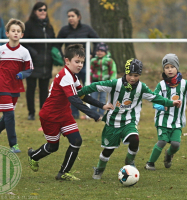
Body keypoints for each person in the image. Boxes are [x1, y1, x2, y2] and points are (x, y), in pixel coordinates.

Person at [77, 58, 182, 179]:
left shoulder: (141, 88)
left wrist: (170, 103)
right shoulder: (114, 84)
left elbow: (155, 97)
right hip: (112, 123)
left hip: (129, 121)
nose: (132, 78)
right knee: (108, 150)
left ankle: (129, 161)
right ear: (125, 73)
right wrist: (79, 93)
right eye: (130, 75)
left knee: (135, 139)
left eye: (136, 75)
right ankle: (99, 169)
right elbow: (95, 86)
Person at [27, 44, 113, 181]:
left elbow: (83, 95)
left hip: (64, 114)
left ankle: (63, 173)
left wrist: (102, 106)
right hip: (50, 116)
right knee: (53, 147)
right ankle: (33, 156)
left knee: (76, 140)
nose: (80, 65)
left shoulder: (73, 76)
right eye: (77, 62)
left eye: (82, 62)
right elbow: (75, 101)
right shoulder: (65, 76)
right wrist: (94, 114)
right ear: (67, 61)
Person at [145, 53, 187, 171]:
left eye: (172, 67)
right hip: (162, 120)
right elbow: (154, 100)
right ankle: (150, 163)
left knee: (175, 144)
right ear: (164, 69)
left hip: (177, 121)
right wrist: (160, 106)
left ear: (177, 68)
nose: (169, 70)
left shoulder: (185, 84)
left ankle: (168, 155)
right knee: (162, 141)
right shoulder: (161, 85)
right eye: (167, 67)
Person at [56, 8, 99, 119]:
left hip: (85, 65)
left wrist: (93, 55)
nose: (70, 18)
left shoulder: (87, 29)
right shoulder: (64, 30)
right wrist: (63, 58)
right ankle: (74, 114)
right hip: (71, 67)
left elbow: (98, 41)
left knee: (86, 88)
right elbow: (56, 45)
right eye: (69, 16)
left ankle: (89, 112)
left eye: (72, 16)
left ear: (78, 17)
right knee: (72, 90)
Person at [0, 18, 33, 153]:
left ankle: (13, 144)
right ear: (7, 33)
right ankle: (14, 145)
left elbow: (29, 69)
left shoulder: (24, 52)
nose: (15, 33)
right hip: (2, 87)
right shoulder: (1, 50)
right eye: (13, 30)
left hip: (15, 88)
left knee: (7, 117)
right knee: (10, 115)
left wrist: (22, 74)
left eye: (18, 31)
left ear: (22, 35)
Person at [23, 2, 56, 121]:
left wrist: (56, 55)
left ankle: (43, 111)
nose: (43, 12)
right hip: (32, 62)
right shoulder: (29, 25)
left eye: (44, 10)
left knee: (44, 89)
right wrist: (33, 53)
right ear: (35, 11)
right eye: (40, 10)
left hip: (46, 63)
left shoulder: (49, 27)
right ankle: (31, 112)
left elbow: (54, 42)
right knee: (31, 88)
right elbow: (23, 42)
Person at [86, 42, 117, 118]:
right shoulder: (93, 61)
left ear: (105, 52)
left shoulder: (109, 61)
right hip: (95, 83)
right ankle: (93, 113)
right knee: (93, 98)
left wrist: (111, 82)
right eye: (98, 51)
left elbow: (113, 71)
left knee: (103, 98)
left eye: (102, 51)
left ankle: (101, 113)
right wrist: (88, 81)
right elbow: (90, 71)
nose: (99, 53)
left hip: (105, 83)